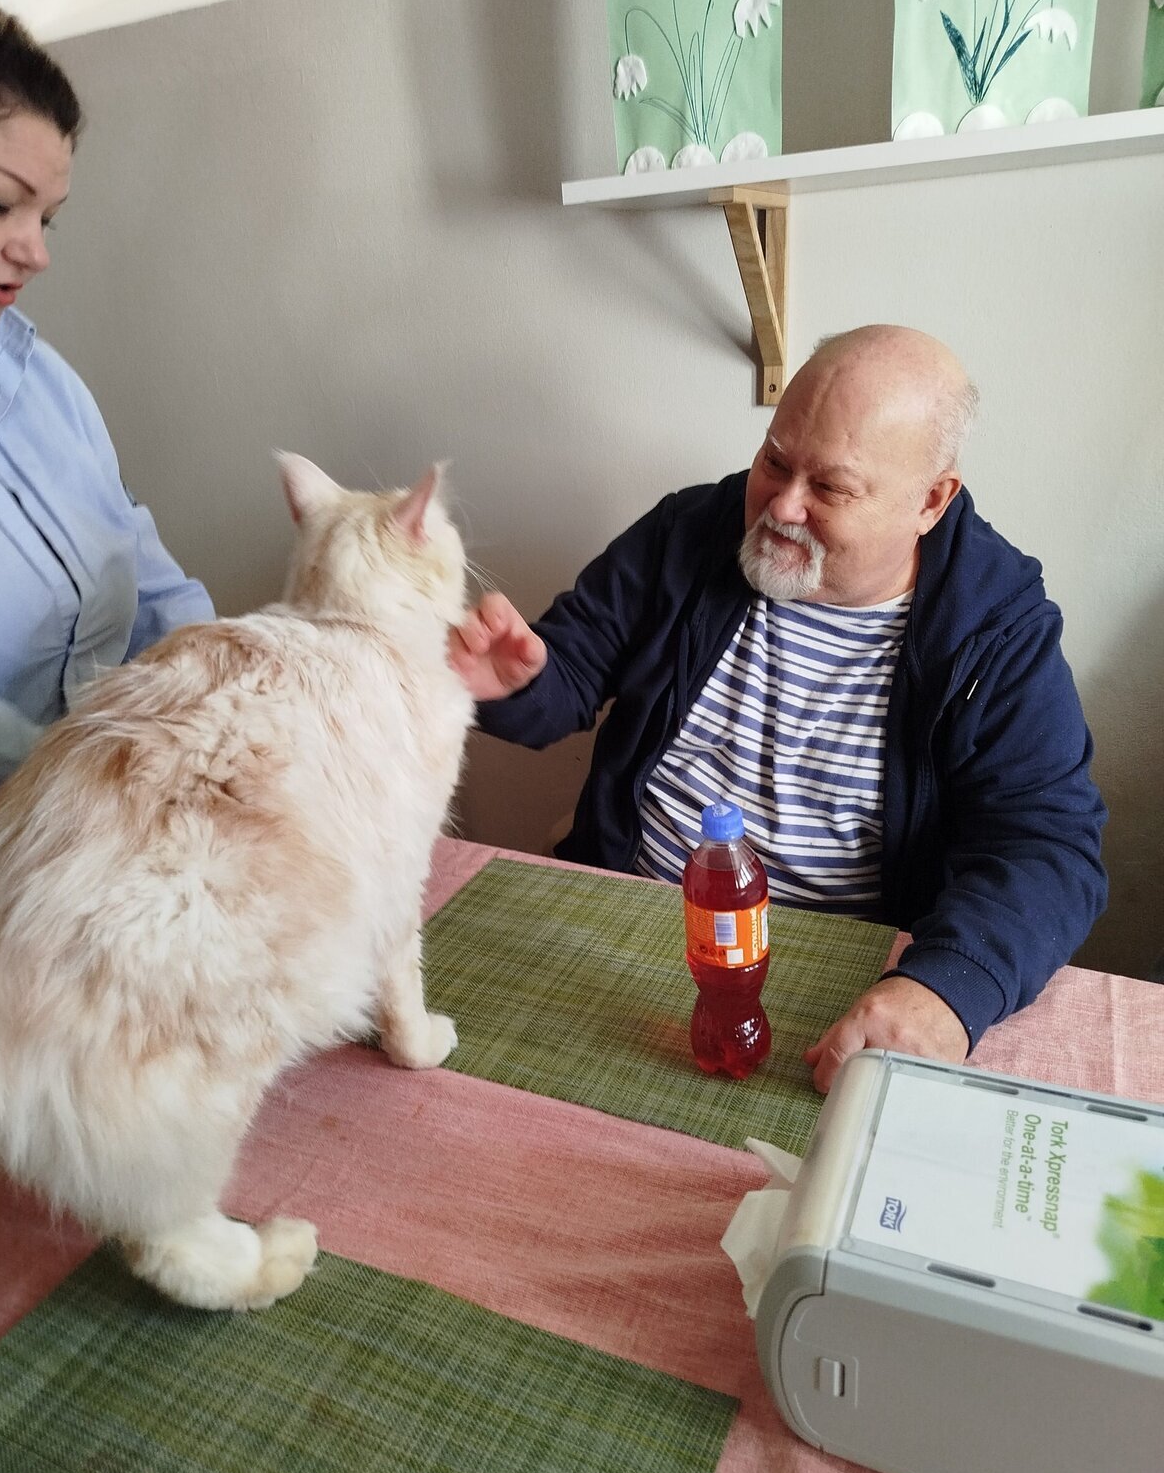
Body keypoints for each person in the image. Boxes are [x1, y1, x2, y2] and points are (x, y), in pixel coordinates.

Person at [450, 325, 1108, 1093]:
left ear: (930, 500)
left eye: (830, 488)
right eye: (774, 461)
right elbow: (570, 668)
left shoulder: (995, 629)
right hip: (622, 913)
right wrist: (516, 684)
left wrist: (946, 990)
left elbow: (1047, 846)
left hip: (837, 968)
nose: (781, 507)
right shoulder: (688, 533)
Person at [0, 0, 212, 820]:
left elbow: (139, 567)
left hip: (119, 827)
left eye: (49, 219)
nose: (35, 252)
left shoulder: (39, 380)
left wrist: (227, 688)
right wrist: (110, 790)